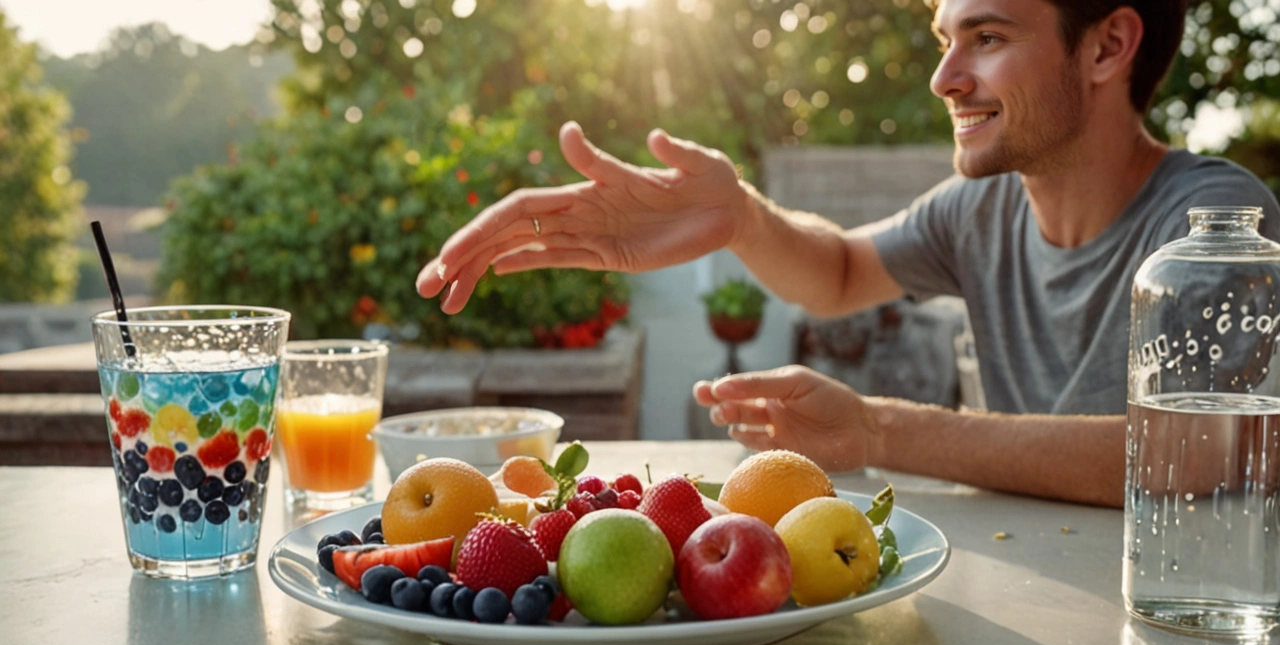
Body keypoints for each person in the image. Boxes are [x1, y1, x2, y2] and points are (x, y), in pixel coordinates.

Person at [416, 0, 1280, 507]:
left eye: (985, 37)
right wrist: (741, 219)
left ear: (1106, 46)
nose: (944, 78)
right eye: (944, 41)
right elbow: (835, 275)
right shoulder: (978, 210)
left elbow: (1199, 451)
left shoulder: (1216, 220)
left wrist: (877, 429)